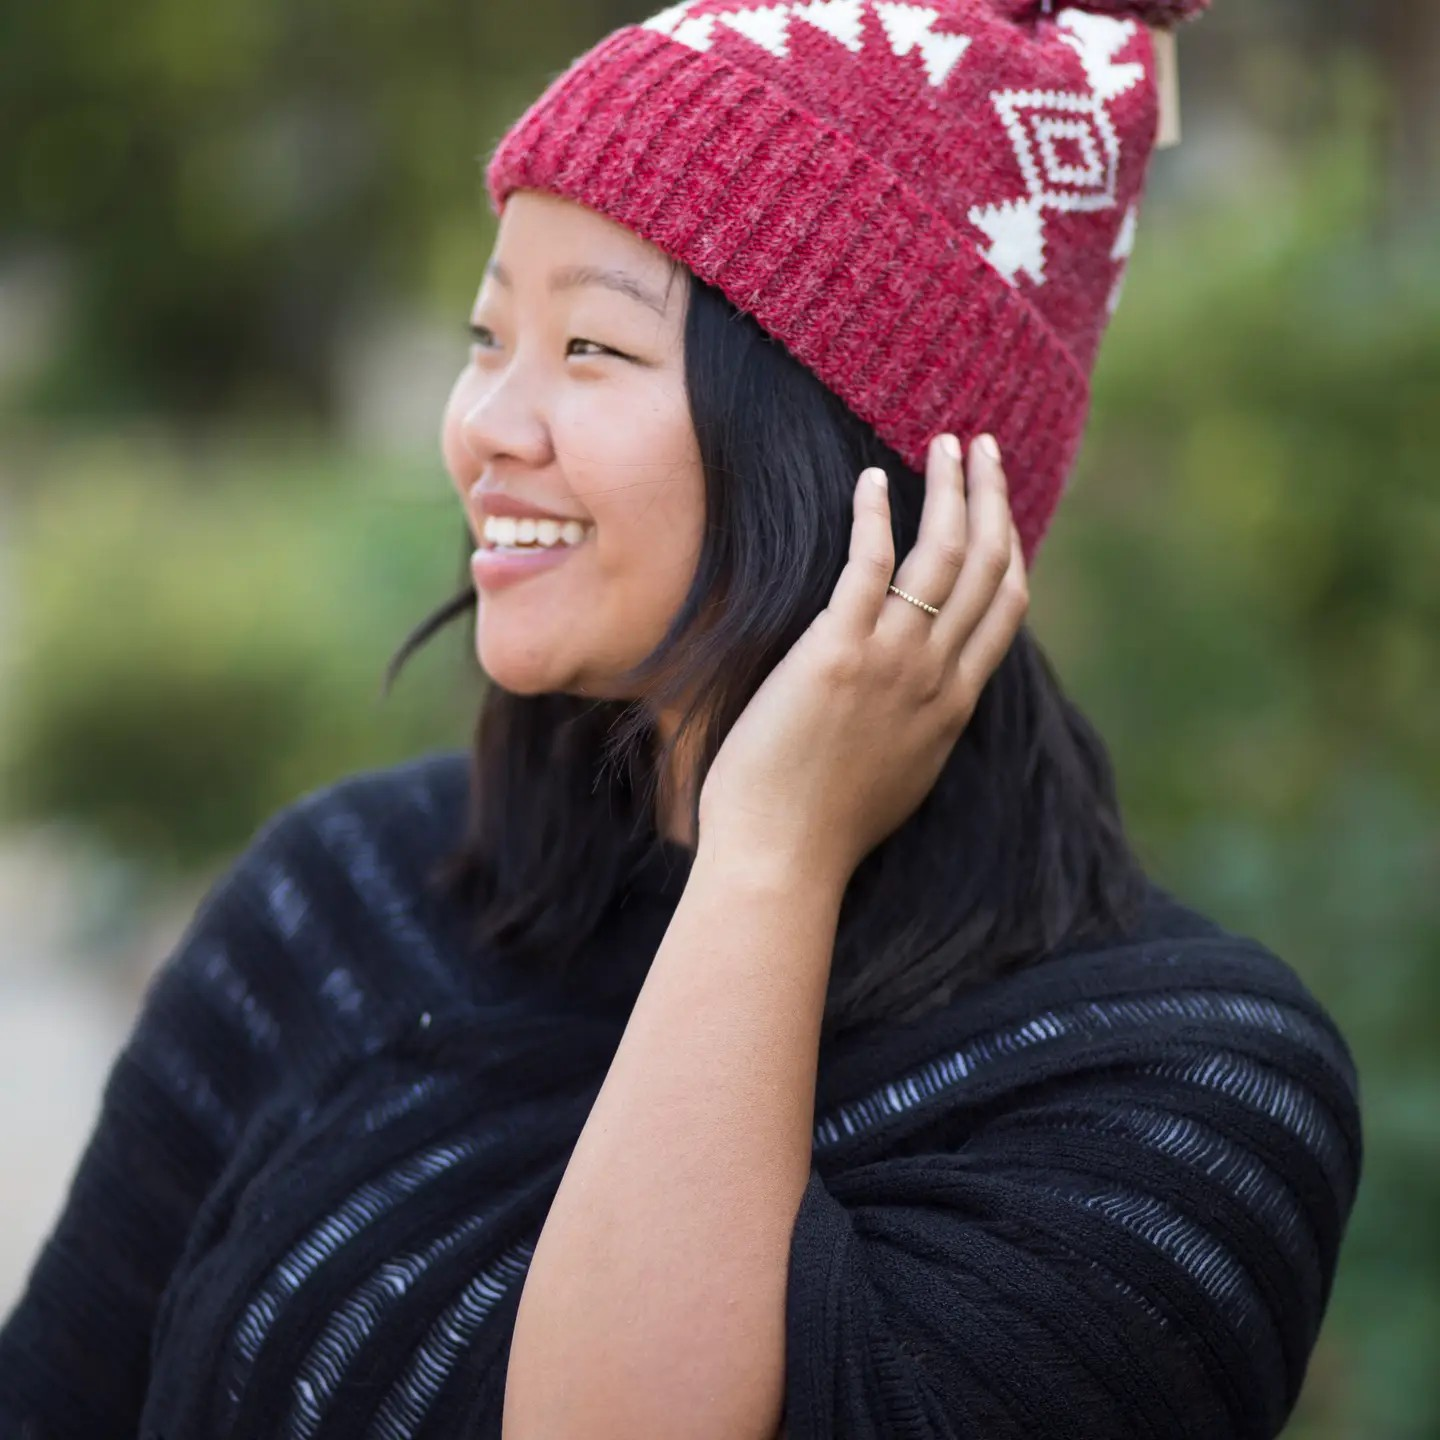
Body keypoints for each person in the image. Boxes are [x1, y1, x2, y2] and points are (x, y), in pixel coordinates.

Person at [0, 0, 1363, 1436]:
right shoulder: (341, 907)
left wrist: (768, 856)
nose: (484, 427)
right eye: (487, 335)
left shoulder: (1176, 1092)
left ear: (858, 449)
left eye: (590, 348)